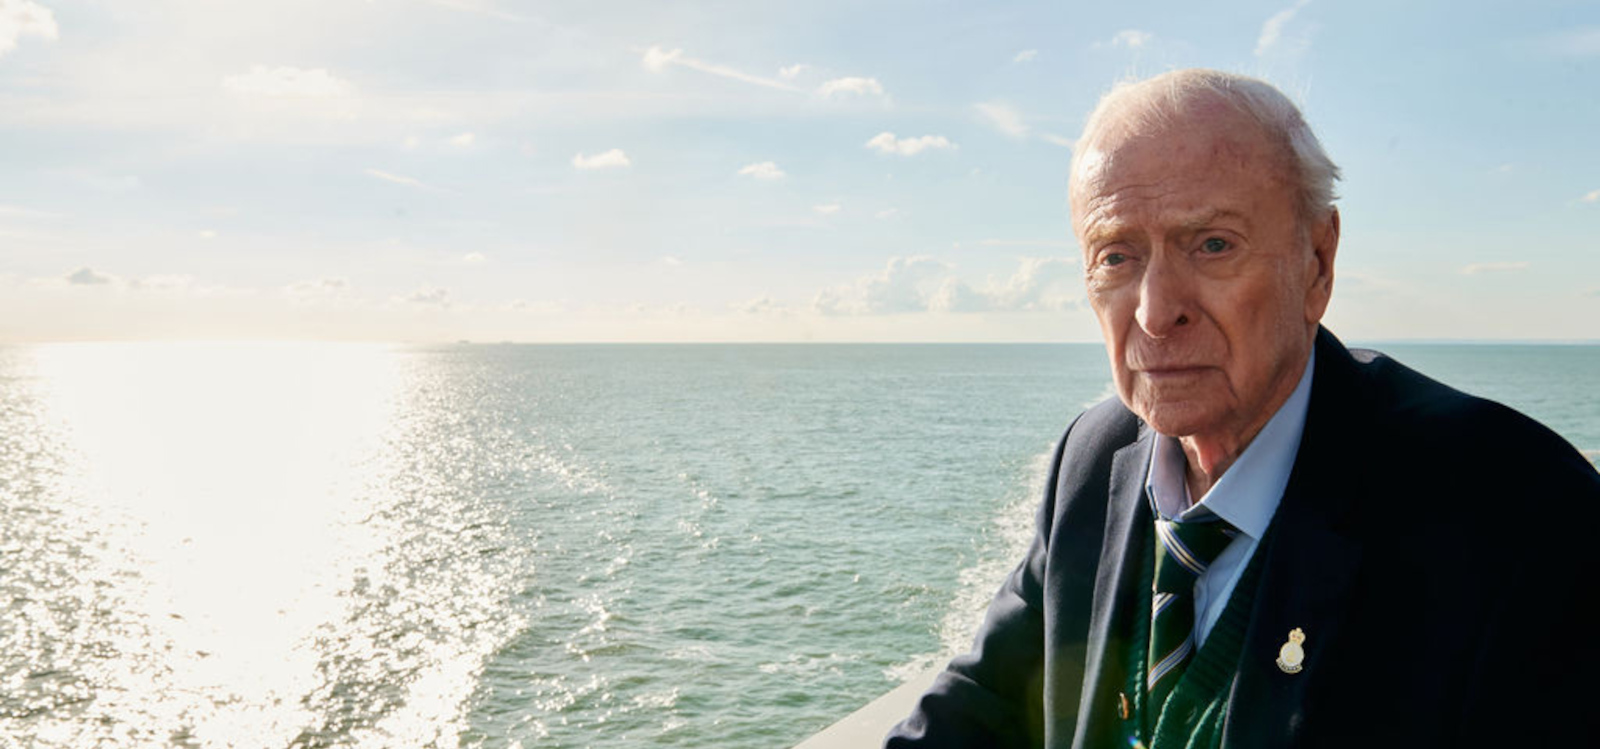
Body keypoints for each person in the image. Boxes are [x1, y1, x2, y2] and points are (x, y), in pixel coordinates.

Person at [884, 69, 1600, 749]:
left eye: (1212, 244)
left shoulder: (1514, 511)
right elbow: (983, 702)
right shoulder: (1092, 458)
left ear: (1318, 261)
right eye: (1117, 256)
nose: (1157, 311)